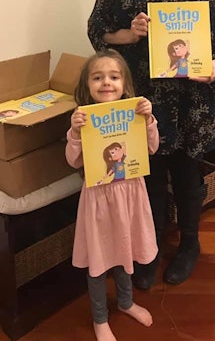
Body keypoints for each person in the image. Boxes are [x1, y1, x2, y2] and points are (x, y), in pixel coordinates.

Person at [87, 0, 215, 289]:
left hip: (194, 103)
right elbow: (96, 30)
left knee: (189, 179)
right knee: (149, 180)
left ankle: (189, 244)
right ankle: (150, 250)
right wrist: (129, 33)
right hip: (145, 106)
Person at [65, 48, 159, 341]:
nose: (106, 83)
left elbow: (152, 148)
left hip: (130, 195)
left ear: (124, 84)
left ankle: (126, 301)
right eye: (98, 77)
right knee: (99, 259)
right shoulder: (82, 119)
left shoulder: (135, 113)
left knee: (124, 250)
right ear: (87, 86)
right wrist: (75, 133)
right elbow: (73, 160)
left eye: (114, 77)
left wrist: (149, 121)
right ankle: (100, 318)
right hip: (98, 202)